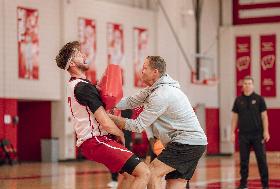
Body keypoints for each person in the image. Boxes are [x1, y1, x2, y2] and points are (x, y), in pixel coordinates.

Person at [55, 41, 150, 189]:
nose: (84, 55)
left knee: (130, 175)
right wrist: (120, 134)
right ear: (72, 63)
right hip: (97, 141)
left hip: (92, 142)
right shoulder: (83, 87)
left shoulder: (75, 85)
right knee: (144, 172)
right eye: (79, 54)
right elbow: (104, 121)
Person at [108, 56, 207, 189]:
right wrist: (105, 103)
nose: (141, 71)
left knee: (151, 172)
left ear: (155, 72)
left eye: (145, 68)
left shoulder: (161, 94)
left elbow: (138, 125)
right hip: (194, 143)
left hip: (186, 143)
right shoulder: (154, 90)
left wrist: (108, 117)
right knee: (174, 183)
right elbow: (130, 101)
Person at [231, 76, 270, 189]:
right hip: (243, 135)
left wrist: (266, 131)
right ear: (242, 85)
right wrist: (232, 132)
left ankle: (265, 185)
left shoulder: (259, 99)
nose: (247, 85)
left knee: (261, 160)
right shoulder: (238, 100)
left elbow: (264, 117)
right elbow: (234, 117)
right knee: (243, 161)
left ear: (253, 85)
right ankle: (243, 184)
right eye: (245, 83)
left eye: (249, 83)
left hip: (258, 135)